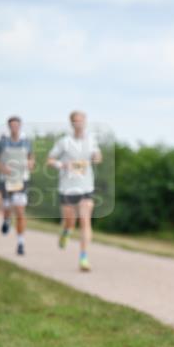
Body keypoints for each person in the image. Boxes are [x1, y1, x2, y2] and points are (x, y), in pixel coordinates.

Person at [47, 111, 102, 271]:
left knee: (85, 221)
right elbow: (50, 160)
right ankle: (66, 231)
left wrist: (97, 157)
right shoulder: (64, 142)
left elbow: (97, 155)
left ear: (85, 122)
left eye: (81, 121)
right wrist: (62, 165)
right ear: (71, 123)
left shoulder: (91, 139)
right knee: (70, 221)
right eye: (75, 121)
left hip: (86, 186)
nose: (78, 124)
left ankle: (84, 258)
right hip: (67, 188)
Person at [0, 117, 34, 254]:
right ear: (9, 127)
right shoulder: (3, 143)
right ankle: (6, 219)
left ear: (20, 126)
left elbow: (31, 158)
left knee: (20, 211)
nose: (15, 128)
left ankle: (21, 243)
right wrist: (2, 168)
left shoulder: (26, 142)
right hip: (6, 180)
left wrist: (30, 163)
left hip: (21, 180)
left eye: (17, 125)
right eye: (12, 126)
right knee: (7, 206)